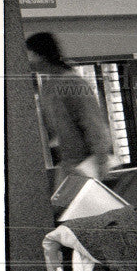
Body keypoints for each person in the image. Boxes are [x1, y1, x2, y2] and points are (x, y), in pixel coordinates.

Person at [26, 32, 112, 185]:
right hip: (68, 165)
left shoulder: (73, 84)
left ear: (41, 54)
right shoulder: (47, 86)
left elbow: (93, 123)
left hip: (84, 165)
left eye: (30, 54)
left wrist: (101, 160)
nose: (28, 61)